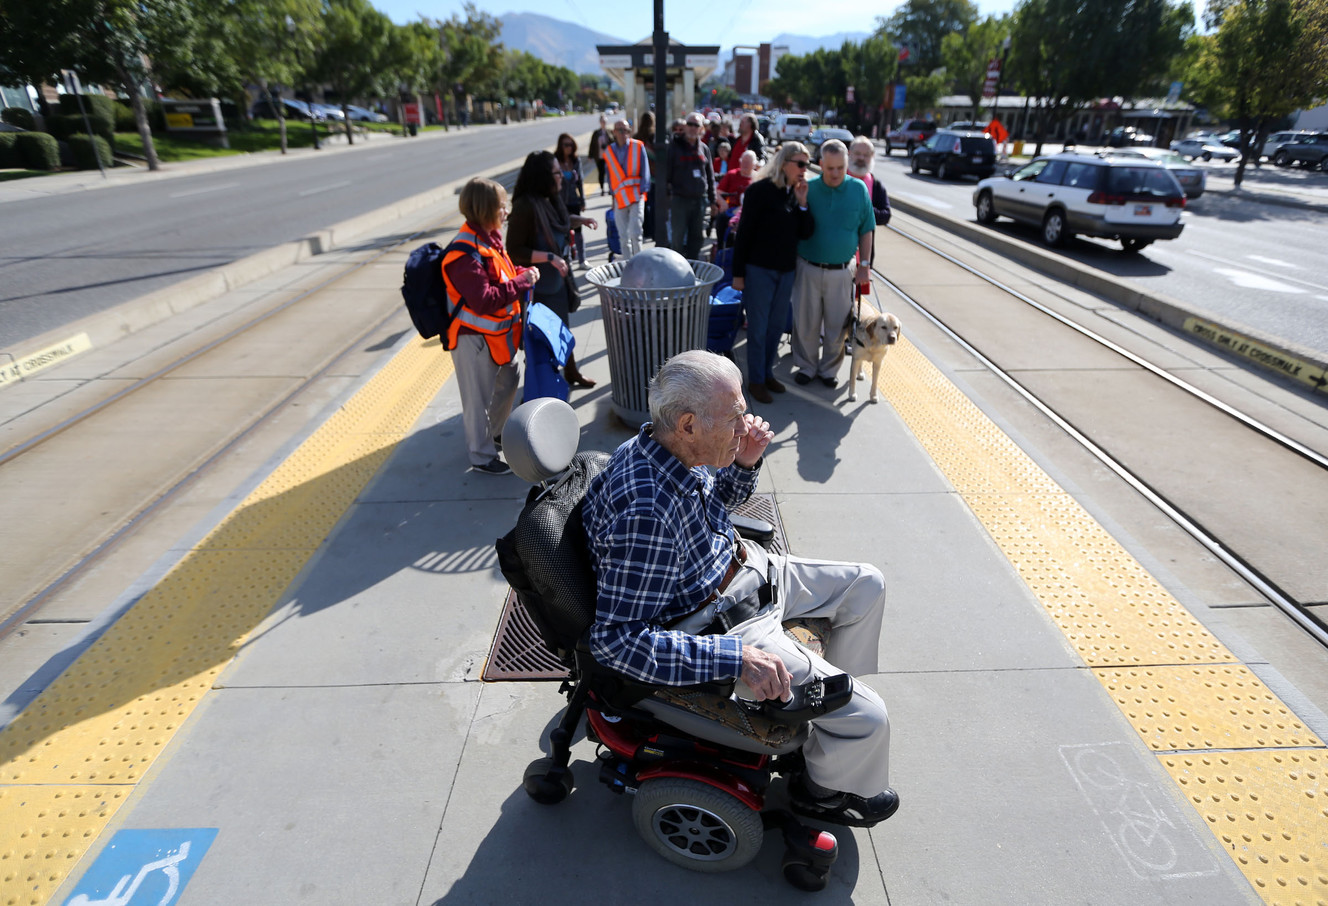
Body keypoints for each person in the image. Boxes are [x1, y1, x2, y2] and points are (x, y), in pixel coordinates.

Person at [583, 350, 898, 827]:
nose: (744, 423)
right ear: (688, 424)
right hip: (724, 621)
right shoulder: (646, 513)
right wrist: (736, 660)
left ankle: (828, 720)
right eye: (733, 418)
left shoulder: (667, 449)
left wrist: (743, 461)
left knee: (866, 583)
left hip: (748, 571)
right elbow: (616, 641)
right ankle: (822, 790)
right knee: (870, 719)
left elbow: (714, 510)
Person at [443, 177, 535, 475]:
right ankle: (481, 457)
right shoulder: (464, 252)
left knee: (510, 379)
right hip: (472, 340)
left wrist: (521, 273)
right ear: (486, 209)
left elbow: (502, 276)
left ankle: (494, 434)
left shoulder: (488, 240)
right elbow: (484, 300)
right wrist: (523, 282)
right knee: (476, 400)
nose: (506, 211)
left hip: (496, 337)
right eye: (501, 206)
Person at [507, 151, 599, 389]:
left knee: (562, 330)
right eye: (558, 173)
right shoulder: (524, 206)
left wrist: (582, 220)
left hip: (557, 281)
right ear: (542, 176)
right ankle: (540, 385)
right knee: (541, 339)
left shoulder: (550, 199)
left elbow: (561, 221)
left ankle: (571, 372)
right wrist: (549, 257)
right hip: (538, 286)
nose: (563, 177)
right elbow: (514, 249)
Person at [731, 143, 814, 404]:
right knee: (758, 327)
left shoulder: (795, 193)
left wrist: (802, 204)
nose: (804, 170)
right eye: (800, 164)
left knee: (776, 326)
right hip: (759, 270)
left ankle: (767, 373)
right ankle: (756, 379)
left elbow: (806, 232)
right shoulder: (760, 190)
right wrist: (738, 273)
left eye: (806, 164)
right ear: (784, 163)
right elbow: (744, 233)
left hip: (785, 271)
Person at [790, 139, 874, 388]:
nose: (836, 173)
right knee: (806, 321)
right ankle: (806, 366)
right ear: (821, 165)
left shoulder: (858, 189)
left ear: (846, 164)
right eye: (830, 168)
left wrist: (865, 265)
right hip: (808, 266)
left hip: (841, 270)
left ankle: (829, 370)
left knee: (837, 324)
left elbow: (867, 229)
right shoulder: (807, 188)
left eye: (840, 168)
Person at [665, 112, 716, 261]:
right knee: (677, 238)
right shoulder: (674, 147)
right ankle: (676, 269)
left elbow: (710, 176)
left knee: (697, 238)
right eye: (690, 124)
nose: (693, 128)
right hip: (680, 200)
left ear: (701, 128)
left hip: (699, 200)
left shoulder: (704, 149)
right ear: (685, 127)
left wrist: (713, 201)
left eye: (696, 125)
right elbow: (666, 175)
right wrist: (667, 198)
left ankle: (691, 268)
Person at [604, 118, 650, 258]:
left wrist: (642, 191)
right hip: (620, 198)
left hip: (636, 196)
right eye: (620, 130)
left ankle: (639, 263)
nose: (624, 133)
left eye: (626, 130)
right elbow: (610, 175)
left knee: (636, 233)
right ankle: (628, 266)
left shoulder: (638, 146)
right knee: (623, 237)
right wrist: (613, 197)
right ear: (614, 132)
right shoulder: (609, 151)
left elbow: (645, 170)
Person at [848, 135, 891, 243]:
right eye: (857, 154)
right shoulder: (837, 178)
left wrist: (864, 209)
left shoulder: (876, 185)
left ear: (872, 157)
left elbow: (885, 216)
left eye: (866, 155)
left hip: (864, 253)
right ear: (849, 153)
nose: (861, 158)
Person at [555, 133, 587, 266]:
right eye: (566, 145)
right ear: (560, 146)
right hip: (560, 202)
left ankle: (582, 259)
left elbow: (580, 181)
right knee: (564, 231)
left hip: (574, 200)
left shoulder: (575, 160)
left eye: (571, 145)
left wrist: (582, 200)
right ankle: (566, 257)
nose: (569, 148)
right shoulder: (555, 161)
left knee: (578, 230)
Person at [713, 148, 757, 242]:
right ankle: (721, 250)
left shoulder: (758, 178)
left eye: (748, 162)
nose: (745, 164)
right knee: (721, 219)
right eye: (743, 161)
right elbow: (717, 192)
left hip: (749, 212)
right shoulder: (732, 174)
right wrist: (723, 202)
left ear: (754, 164)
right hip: (730, 210)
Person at [635, 112, 658, 243]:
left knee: (641, 205)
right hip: (653, 177)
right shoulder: (654, 137)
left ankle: (645, 229)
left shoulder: (636, 137)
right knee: (654, 205)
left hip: (638, 178)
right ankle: (654, 231)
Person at [589, 115, 611, 196]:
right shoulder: (596, 133)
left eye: (605, 121)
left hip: (608, 156)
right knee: (601, 173)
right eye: (602, 121)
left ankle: (610, 188)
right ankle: (602, 188)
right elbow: (592, 144)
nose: (603, 123)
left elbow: (613, 142)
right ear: (600, 122)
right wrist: (590, 155)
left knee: (609, 173)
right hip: (599, 156)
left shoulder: (609, 132)